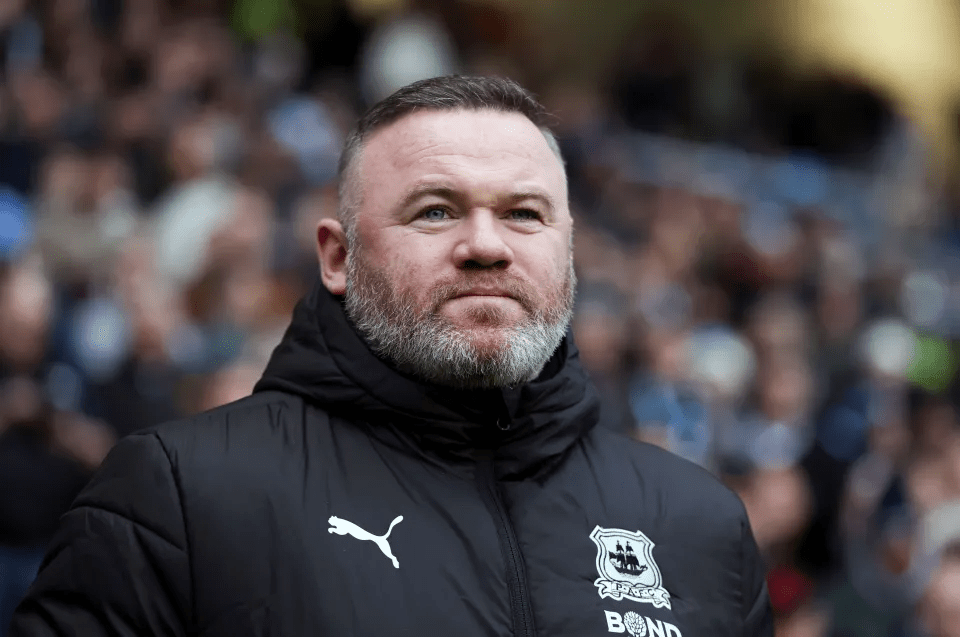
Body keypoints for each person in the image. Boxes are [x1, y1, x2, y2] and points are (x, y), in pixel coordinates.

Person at [10, 76, 772, 637]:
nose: (485, 244)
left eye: (524, 213)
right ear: (337, 257)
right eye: (435, 210)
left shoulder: (701, 527)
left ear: (569, 255)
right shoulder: (180, 498)